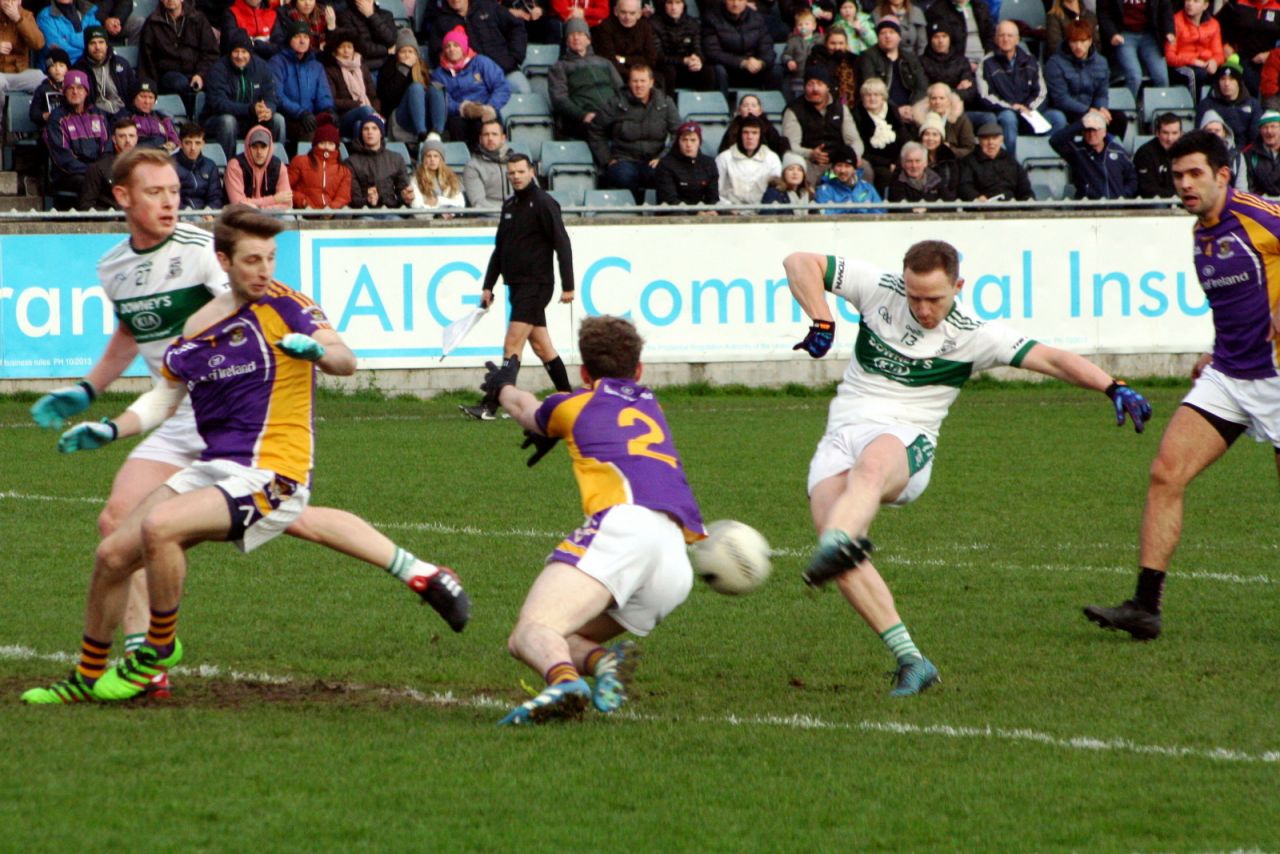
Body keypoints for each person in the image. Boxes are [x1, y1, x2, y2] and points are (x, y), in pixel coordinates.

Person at [20, 157, 470, 705]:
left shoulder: (288, 305)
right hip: (217, 462)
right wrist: (110, 427)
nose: (264, 270)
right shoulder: (196, 324)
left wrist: (321, 354)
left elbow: (346, 357)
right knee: (113, 552)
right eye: (252, 260)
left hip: (271, 471)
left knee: (160, 527)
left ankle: (154, 655)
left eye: (270, 258)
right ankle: (86, 678)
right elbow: (167, 394)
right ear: (225, 262)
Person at [784, 240, 1151, 695]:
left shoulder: (975, 335)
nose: (922, 308)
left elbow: (1052, 357)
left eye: (934, 298)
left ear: (958, 286)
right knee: (835, 548)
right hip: (841, 434)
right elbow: (800, 262)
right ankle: (912, 660)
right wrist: (821, 317)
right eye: (914, 296)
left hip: (906, 439)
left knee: (870, 470)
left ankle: (841, 540)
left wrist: (1112, 386)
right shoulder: (880, 290)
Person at [1083, 129, 1278, 640]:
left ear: (1222, 175)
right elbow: (1240, 302)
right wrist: (1217, 352)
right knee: (1166, 473)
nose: (1185, 185)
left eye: (1195, 174)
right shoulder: (1201, 231)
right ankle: (1145, 607)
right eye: (1177, 176)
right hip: (1231, 374)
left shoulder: (1259, 216)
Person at [482, 314, 706, 724]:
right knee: (564, 636)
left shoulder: (573, 404)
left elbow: (527, 409)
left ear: (584, 372)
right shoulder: (651, 402)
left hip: (625, 528)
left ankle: (565, 682)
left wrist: (502, 387)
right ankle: (602, 663)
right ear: (638, 370)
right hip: (674, 556)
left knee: (529, 634)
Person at [461, 153, 575, 420]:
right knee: (542, 348)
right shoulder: (510, 205)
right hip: (518, 286)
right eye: (511, 173)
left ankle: (489, 406)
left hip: (536, 285)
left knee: (511, 346)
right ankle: (569, 399)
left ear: (531, 171)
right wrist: (488, 285)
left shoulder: (545, 203)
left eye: (520, 172)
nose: (516, 177)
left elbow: (563, 243)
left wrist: (568, 285)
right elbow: (499, 250)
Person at [588, 62, 681, 203]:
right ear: (629, 83)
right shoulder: (616, 103)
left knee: (665, 174)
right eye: (635, 81)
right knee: (623, 176)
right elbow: (596, 129)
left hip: (655, 159)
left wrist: (663, 157)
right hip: (624, 159)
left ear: (651, 82)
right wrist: (607, 159)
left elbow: (678, 133)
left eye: (643, 81)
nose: (639, 85)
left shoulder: (665, 103)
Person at [972, 20, 1064, 158]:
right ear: (995, 39)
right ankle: (1012, 163)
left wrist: (1027, 108)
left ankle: (1047, 161)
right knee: (1008, 118)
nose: (1006, 39)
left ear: (1017, 39)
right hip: (1005, 112)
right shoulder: (986, 63)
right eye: (1002, 35)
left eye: (1010, 35)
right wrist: (1012, 107)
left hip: (1030, 112)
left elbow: (1041, 93)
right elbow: (984, 96)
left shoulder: (1031, 60)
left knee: (1058, 118)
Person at [203, 29, 287, 157]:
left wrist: (268, 109)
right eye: (236, 51)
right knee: (228, 121)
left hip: (252, 119)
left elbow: (270, 95)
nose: (240, 56)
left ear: (250, 53)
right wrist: (249, 109)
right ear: (230, 53)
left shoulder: (261, 67)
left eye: (244, 52)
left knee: (278, 120)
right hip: (218, 120)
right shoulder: (218, 69)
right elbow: (218, 103)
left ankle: (274, 163)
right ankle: (227, 164)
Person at [781, 61, 864, 187]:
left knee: (866, 169)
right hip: (810, 162)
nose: (815, 89)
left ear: (827, 87)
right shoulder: (794, 110)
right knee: (802, 172)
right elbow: (791, 145)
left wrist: (853, 156)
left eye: (819, 84)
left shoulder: (840, 108)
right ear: (804, 87)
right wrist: (810, 154)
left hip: (837, 162)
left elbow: (855, 141)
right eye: (810, 84)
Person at [1044, 19, 1125, 141]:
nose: (1078, 46)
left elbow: (1101, 94)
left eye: (1083, 41)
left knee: (1119, 118)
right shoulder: (1054, 63)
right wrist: (1088, 111)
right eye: (1074, 42)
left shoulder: (1101, 62)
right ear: (1068, 42)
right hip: (1067, 112)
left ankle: (1111, 153)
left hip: (1091, 110)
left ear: (1090, 41)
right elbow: (1060, 99)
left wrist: (1101, 109)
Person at [428, 0, 531, 94]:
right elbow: (437, 53)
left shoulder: (489, 7)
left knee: (523, 90)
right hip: (470, 80)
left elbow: (516, 27)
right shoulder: (441, 21)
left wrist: (514, 57)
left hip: (505, 70)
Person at [139, 0, 220, 119]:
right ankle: (190, 118)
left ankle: (208, 120)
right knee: (179, 83)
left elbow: (211, 53)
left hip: (196, 72)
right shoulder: (152, 22)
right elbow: (147, 58)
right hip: (168, 75)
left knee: (217, 83)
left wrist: (201, 74)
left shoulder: (198, 18)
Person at [433, 25, 510, 145]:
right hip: (458, 113)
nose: (451, 49)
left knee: (484, 124)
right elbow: (442, 99)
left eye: (456, 45)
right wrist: (463, 108)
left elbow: (501, 86)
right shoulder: (439, 73)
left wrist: (490, 107)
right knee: (455, 124)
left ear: (463, 47)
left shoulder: (481, 62)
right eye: (448, 46)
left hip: (485, 108)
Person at [548, 17, 623, 140]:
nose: (576, 38)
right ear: (566, 41)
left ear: (588, 39)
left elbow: (621, 90)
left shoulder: (604, 62)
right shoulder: (560, 67)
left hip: (611, 113)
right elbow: (559, 100)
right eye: (571, 34)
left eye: (580, 34)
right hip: (584, 118)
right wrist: (583, 115)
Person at [44, 69, 109, 203]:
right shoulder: (57, 118)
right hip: (69, 174)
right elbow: (63, 157)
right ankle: (91, 216)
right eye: (71, 88)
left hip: (97, 171)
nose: (75, 92)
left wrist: (100, 171)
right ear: (64, 91)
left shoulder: (99, 115)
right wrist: (92, 172)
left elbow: (107, 148)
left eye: (80, 88)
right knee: (89, 182)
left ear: (86, 92)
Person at [270, 20, 335, 144]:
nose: (302, 40)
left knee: (330, 130)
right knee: (309, 130)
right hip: (288, 117)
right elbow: (277, 95)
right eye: (297, 36)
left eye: (306, 37)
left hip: (310, 117)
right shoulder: (277, 62)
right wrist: (300, 113)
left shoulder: (316, 66)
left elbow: (323, 94)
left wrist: (328, 110)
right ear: (289, 39)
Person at [378, 28, 448, 143]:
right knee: (416, 88)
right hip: (400, 117)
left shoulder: (422, 69)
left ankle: (438, 133)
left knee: (436, 87)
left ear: (416, 55)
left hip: (423, 115)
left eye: (410, 52)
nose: (407, 55)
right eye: (403, 52)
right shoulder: (388, 68)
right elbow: (388, 100)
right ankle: (421, 134)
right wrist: (404, 70)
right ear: (397, 54)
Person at [1049, 110, 1137, 199]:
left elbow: (1132, 178)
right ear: (1082, 132)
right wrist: (1081, 124)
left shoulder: (1118, 151)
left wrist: (1122, 195)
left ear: (1104, 132)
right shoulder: (1077, 151)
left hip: (1115, 207)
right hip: (1087, 208)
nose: (1091, 134)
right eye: (1087, 130)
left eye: (1095, 130)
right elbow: (1055, 141)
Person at [857, 18, 928, 127]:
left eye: (892, 32)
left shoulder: (910, 57)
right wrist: (896, 110)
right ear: (877, 37)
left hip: (912, 110)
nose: (887, 36)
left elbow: (922, 85)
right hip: (882, 109)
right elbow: (869, 86)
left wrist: (913, 108)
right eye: (883, 33)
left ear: (899, 37)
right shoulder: (868, 57)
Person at [701, 0, 779, 94]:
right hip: (729, 70)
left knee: (775, 70)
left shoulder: (757, 18)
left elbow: (768, 49)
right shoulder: (711, 18)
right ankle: (722, 106)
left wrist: (761, 63)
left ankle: (766, 106)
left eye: (740, 0)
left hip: (753, 71)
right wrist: (742, 62)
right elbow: (712, 52)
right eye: (731, 0)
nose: (736, 4)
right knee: (717, 70)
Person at [1097, 0, 1172, 97]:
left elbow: (1165, 8)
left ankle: (1161, 109)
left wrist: (1169, 30)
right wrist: (1112, 33)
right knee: (1134, 76)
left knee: (1161, 77)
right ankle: (1127, 109)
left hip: (1149, 34)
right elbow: (1103, 13)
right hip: (1123, 34)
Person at [323, 28, 382, 140]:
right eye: (342, 47)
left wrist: (375, 109)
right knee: (366, 111)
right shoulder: (331, 71)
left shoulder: (362, 68)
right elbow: (332, 101)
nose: (346, 51)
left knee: (359, 125)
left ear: (354, 49)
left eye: (349, 47)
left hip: (365, 111)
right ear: (335, 51)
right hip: (343, 117)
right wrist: (356, 104)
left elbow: (373, 96)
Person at [347, 113, 414, 209]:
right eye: (366, 129)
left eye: (374, 128)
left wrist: (405, 197)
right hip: (364, 213)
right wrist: (367, 200)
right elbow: (353, 198)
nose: (370, 132)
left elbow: (402, 190)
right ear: (361, 134)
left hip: (391, 212)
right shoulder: (351, 162)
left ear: (381, 133)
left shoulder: (396, 159)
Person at [288, 114, 353, 209]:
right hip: (304, 213)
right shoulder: (300, 161)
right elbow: (286, 188)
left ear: (336, 147)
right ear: (315, 144)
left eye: (330, 144)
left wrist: (331, 210)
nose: (326, 147)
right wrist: (303, 202)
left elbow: (343, 197)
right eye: (322, 143)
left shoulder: (344, 171)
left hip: (332, 217)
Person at [715, 113, 781, 208]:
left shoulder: (772, 158)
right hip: (730, 213)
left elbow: (775, 191)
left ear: (760, 135)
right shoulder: (724, 158)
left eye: (754, 133)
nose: (750, 137)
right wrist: (729, 208)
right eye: (746, 132)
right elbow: (717, 190)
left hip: (763, 213)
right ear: (739, 135)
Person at [852, 76, 904, 194]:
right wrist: (887, 164)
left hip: (896, 159)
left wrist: (897, 162)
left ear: (883, 97)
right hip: (873, 161)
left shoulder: (891, 110)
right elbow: (863, 150)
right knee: (884, 175)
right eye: (868, 95)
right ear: (862, 97)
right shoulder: (857, 114)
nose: (872, 98)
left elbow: (903, 136)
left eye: (876, 95)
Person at [649, 0, 715, 93]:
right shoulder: (654, 24)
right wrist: (683, 60)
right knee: (669, 71)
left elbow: (697, 48)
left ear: (683, 5)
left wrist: (697, 59)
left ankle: (704, 105)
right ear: (664, 5)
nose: (673, 7)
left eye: (678, 3)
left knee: (708, 71)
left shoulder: (692, 23)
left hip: (686, 68)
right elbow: (658, 56)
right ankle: (668, 105)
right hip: (665, 68)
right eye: (669, 3)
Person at [1195, 64, 1262, 153]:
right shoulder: (1206, 105)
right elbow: (1199, 135)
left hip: (1247, 154)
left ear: (1239, 82)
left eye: (1231, 79)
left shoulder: (1253, 104)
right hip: (1214, 153)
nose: (1226, 84)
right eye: (1223, 79)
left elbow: (1255, 137)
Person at [957, 120, 1032, 200]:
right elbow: (964, 187)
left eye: (995, 138)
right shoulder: (969, 162)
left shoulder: (1011, 161)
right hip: (982, 208)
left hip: (1011, 207)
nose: (991, 142)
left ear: (1001, 140)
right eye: (986, 138)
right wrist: (976, 197)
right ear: (979, 141)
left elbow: (1025, 189)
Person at [74, 23, 136, 119]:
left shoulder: (121, 63)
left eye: (101, 42)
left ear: (107, 44)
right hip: (95, 116)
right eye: (92, 43)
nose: (97, 47)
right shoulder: (79, 69)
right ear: (86, 46)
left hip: (123, 112)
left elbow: (132, 91)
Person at [1164, 0, 1222, 101]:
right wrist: (1193, 61)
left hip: (1205, 63)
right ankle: (1196, 108)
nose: (1190, 4)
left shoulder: (1213, 24)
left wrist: (1214, 62)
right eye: (1188, 0)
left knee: (1226, 72)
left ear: (1205, 5)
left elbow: (1219, 53)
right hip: (1181, 65)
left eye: (1195, 1)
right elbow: (1170, 57)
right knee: (1196, 74)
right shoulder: (1175, 22)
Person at [225, 123, 293, 209]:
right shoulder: (235, 166)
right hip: (242, 216)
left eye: (263, 147)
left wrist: (261, 209)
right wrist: (274, 200)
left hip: (271, 214)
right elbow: (238, 204)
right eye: (254, 147)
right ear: (248, 147)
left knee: (289, 218)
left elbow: (286, 203)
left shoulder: (279, 166)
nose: (259, 152)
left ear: (270, 147)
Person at [654, 119, 719, 207]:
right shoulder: (665, 165)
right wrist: (696, 214)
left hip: (704, 215)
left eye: (693, 140)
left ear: (699, 142)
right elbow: (669, 200)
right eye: (684, 140)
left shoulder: (709, 163)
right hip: (674, 215)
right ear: (678, 142)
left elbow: (713, 198)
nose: (688, 144)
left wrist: (711, 210)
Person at [77, 115, 137, 210]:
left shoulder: (145, 167)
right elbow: (86, 206)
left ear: (137, 138)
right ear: (114, 139)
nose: (128, 140)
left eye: (131, 136)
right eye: (122, 136)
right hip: (109, 221)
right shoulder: (98, 168)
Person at [590, 0, 659, 82]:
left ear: (639, 14)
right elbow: (609, 60)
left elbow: (650, 59)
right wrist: (631, 75)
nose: (627, 17)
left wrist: (624, 59)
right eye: (623, 12)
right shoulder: (605, 28)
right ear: (616, 11)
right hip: (614, 76)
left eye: (632, 13)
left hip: (641, 75)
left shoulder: (645, 27)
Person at [918, 23, 976, 110]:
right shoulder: (921, 62)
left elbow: (970, 94)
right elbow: (925, 92)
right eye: (936, 37)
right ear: (930, 40)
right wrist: (957, 90)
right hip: (933, 111)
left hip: (961, 110)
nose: (940, 40)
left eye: (944, 36)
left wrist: (941, 93)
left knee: (988, 118)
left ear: (950, 39)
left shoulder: (961, 61)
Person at [814, 142, 882, 213]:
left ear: (854, 169)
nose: (843, 170)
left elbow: (880, 214)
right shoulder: (824, 191)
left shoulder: (867, 188)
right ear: (833, 168)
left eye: (847, 166)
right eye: (839, 165)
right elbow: (824, 218)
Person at [912, 80, 974, 159]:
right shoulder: (919, 118)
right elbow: (913, 144)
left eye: (942, 98)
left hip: (952, 162)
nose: (937, 102)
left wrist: (949, 151)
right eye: (933, 98)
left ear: (949, 100)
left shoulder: (961, 119)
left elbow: (969, 148)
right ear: (929, 101)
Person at [925, 0, 994, 70]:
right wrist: (964, 64)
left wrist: (987, 61)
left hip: (984, 60)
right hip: (956, 63)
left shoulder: (981, 7)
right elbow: (940, 43)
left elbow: (990, 36)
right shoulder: (938, 10)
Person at [0, 0, 47, 100]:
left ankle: (40, 114)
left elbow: (38, 44)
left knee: (42, 80)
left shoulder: (26, 15)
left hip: (20, 72)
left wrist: (18, 19)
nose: (10, 2)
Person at [172, 121, 225, 210]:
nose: (193, 148)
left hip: (205, 214)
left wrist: (209, 210)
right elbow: (169, 196)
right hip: (179, 213)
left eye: (197, 143)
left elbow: (216, 196)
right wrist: (184, 209)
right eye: (188, 143)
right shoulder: (169, 165)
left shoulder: (210, 166)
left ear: (203, 144)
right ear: (180, 144)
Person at [334, 0, 398, 72]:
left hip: (388, 65)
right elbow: (361, 47)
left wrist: (371, 16)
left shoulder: (387, 14)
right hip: (364, 68)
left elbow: (390, 40)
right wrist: (386, 50)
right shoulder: (345, 16)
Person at [717, 92, 788, 157]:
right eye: (745, 106)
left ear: (760, 111)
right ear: (739, 110)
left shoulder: (769, 129)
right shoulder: (733, 129)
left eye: (754, 106)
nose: (749, 108)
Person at [409, 135, 467, 213]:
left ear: (441, 159)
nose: (432, 159)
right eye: (429, 156)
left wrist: (439, 201)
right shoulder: (415, 180)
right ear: (424, 159)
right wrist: (444, 209)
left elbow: (461, 203)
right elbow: (417, 206)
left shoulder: (451, 178)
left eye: (436, 156)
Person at [36, 0, 100, 67]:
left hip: (88, 65)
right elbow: (59, 50)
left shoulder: (87, 10)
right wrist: (89, 49)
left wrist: (69, 38)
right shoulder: (45, 16)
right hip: (58, 70)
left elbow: (98, 37)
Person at [463, 117, 511, 207]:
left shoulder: (517, 162)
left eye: (494, 134)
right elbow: (478, 202)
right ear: (480, 139)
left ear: (503, 138)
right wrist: (505, 214)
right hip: (488, 217)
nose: (490, 138)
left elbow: (533, 194)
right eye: (486, 134)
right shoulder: (473, 166)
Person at [1134, 111, 1181, 198]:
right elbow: (1147, 189)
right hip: (1156, 205)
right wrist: (1177, 196)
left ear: (1181, 134)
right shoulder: (1145, 154)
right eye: (1165, 133)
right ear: (1157, 133)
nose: (1170, 138)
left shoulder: (1185, 152)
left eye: (1174, 133)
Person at [886, 139, 944, 204]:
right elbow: (897, 208)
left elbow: (948, 205)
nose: (914, 166)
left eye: (918, 161)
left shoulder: (936, 179)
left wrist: (927, 209)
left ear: (925, 163)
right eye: (909, 161)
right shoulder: (896, 181)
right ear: (903, 163)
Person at [918, 112, 959, 199]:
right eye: (927, 134)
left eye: (935, 134)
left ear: (941, 138)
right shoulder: (912, 156)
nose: (930, 138)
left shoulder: (950, 158)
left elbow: (952, 187)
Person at [130, 80, 181, 151]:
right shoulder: (127, 118)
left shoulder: (162, 117)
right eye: (142, 96)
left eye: (151, 97)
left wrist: (169, 145)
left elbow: (175, 140)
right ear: (134, 98)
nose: (147, 102)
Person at [780, 8, 818, 99]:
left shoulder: (820, 40)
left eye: (806, 24)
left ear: (814, 26)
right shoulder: (793, 41)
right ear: (796, 27)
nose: (803, 27)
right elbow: (786, 54)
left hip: (815, 75)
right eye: (800, 24)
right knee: (798, 96)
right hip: (798, 76)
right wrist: (789, 61)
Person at [270, 0, 334, 54]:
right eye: (302, 0)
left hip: (322, 56)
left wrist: (331, 27)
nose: (307, 3)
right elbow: (279, 41)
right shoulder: (284, 13)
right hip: (295, 56)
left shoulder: (324, 12)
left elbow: (334, 44)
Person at [1241, 110, 1280, 196]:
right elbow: (1249, 186)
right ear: (1260, 130)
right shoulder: (1249, 153)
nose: (1269, 131)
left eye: (1273, 126)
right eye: (1265, 127)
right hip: (1260, 203)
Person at [31, 47, 70, 128]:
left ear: (67, 68)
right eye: (53, 66)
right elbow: (33, 113)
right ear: (48, 69)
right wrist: (43, 116)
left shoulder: (72, 86)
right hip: (48, 127)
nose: (57, 69)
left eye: (61, 65)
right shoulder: (42, 88)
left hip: (69, 126)